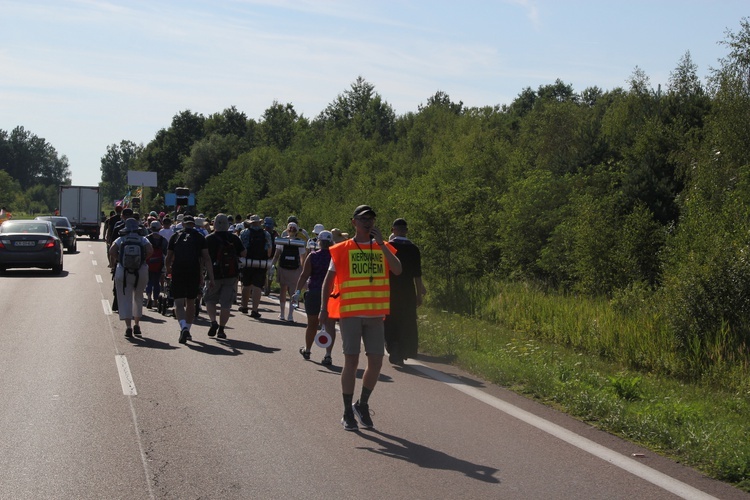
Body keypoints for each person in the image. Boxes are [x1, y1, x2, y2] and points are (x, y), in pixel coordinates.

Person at [320, 205, 402, 431]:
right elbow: (328, 281)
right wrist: (323, 309)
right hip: (351, 314)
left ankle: (362, 404)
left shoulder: (383, 247)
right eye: (363, 218)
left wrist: (383, 245)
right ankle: (347, 411)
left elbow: (397, 270)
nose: (368, 222)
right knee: (351, 361)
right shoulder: (342, 249)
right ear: (353, 222)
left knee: (376, 362)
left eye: (372, 219)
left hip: (375, 314)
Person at [165, 215, 215, 344]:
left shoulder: (175, 236)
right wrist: (211, 277)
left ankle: (183, 327)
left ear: (183, 224)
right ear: (194, 224)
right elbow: (207, 258)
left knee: (179, 303)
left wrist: (168, 270)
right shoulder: (200, 237)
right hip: (193, 272)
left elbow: (168, 257)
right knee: (191, 302)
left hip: (178, 271)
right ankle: (187, 329)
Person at [384, 218, 427, 366]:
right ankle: (403, 349)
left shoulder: (388, 247)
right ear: (406, 231)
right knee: (406, 320)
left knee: (390, 319)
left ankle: (392, 345)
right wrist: (418, 294)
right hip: (407, 290)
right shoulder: (414, 249)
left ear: (392, 230)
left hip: (389, 289)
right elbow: (417, 274)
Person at [294, 230, 336, 365]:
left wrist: (297, 291)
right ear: (331, 242)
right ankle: (328, 355)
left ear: (319, 242)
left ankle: (307, 349)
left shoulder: (312, 256)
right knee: (330, 324)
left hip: (314, 292)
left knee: (312, 323)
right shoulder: (335, 257)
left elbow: (304, 275)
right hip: (331, 293)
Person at [109, 218, 153, 338]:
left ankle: (128, 327)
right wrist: (142, 260)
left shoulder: (121, 239)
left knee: (125, 298)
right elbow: (150, 250)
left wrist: (120, 260)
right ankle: (137, 324)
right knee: (138, 297)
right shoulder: (143, 239)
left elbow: (112, 250)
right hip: (141, 271)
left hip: (124, 271)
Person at [204, 214, 246, 339]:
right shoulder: (234, 238)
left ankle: (213, 322)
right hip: (231, 275)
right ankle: (222, 329)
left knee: (210, 300)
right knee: (226, 304)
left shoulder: (209, 238)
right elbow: (244, 252)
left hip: (213, 274)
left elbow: (203, 256)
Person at [272, 221, 306, 322]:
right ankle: (290, 315)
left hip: (283, 268)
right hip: (295, 269)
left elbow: (276, 255)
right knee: (293, 292)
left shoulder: (282, 241)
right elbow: (302, 258)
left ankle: (282, 313)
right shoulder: (299, 242)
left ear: (287, 230)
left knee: (283, 291)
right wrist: (303, 271)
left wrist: (272, 265)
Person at [239, 215, 272, 319]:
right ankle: (254, 310)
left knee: (246, 284)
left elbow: (241, 247)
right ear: (260, 223)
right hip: (261, 262)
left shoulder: (244, 232)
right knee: (257, 286)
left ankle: (244, 306)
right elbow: (269, 250)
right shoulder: (265, 234)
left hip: (248, 262)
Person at [145, 220, 169, 309]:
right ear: (160, 228)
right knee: (156, 282)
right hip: (159, 264)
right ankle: (155, 300)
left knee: (149, 281)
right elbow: (166, 253)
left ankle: (148, 298)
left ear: (150, 228)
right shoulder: (163, 240)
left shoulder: (146, 239)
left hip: (148, 263)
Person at [263, 217, 278, 296]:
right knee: (266, 273)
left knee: (270, 273)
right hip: (265, 257)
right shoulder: (263, 233)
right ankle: (266, 287)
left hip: (272, 257)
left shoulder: (275, 234)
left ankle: (267, 286)